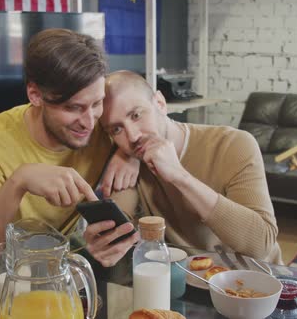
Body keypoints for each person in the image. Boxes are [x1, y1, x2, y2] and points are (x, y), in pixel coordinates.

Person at [0, 29, 139, 287]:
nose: (89, 122)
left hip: (35, 283)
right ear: (35, 95)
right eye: (73, 108)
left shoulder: (99, 128)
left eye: (97, 104)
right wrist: (19, 181)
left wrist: (129, 151)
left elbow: (156, 130)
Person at [84, 71, 283, 267]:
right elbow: (121, 226)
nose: (133, 135)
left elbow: (260, 245)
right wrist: (108, 244)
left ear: (160, 104)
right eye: (117, 129)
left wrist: (179, 176)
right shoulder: (128, 158)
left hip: (256, 280)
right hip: (187, 280)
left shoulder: (234, 144)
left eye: (136, 115)